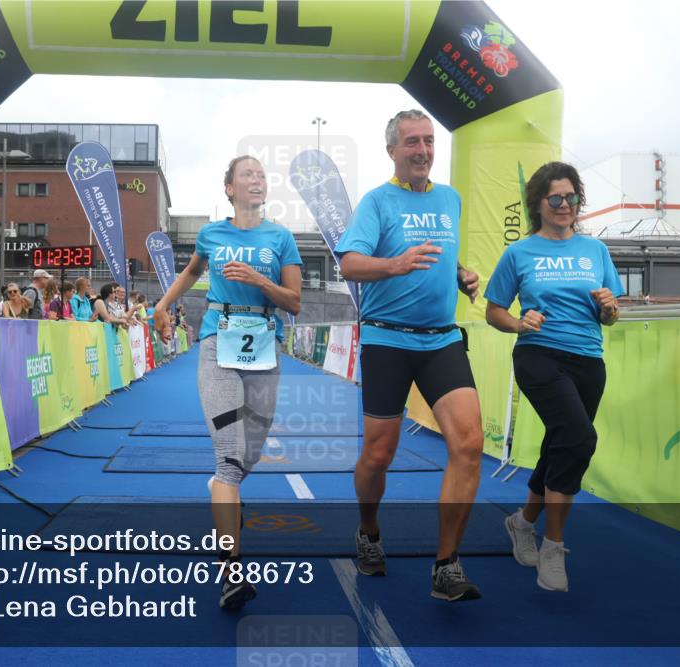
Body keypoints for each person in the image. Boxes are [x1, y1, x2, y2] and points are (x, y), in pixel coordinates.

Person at [334, 110, 483, 602]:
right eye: (412, 142)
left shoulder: (450, 199)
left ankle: (446, 565)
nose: (422, 150)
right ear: (393, 151)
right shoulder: (377, 202)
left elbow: (439, 252)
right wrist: (395, 264)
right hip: (388, 338)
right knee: (379, 455)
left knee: (469, 444)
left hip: (441, 338)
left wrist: (460, 273)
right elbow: (350, 263)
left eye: (428, 141)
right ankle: (368, 529)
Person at [154, 155, 302, 610]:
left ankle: (223, 491)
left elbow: (294, 302)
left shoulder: (281, 237)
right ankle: (231, 570)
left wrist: (260, 279)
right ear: (229, 189)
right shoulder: (212, 234)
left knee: (248, 455)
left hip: (263, 345)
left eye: (261, 175)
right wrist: (163, 306)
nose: (256, 180)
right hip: (219, 342)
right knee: (229, 458)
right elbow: (194, 271)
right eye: (247, 175)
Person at [484, 161, 623, 593]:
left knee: (560, 443)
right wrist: (519, 324)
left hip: (588, 359)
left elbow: (612, 316)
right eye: (556, 198)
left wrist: (608, 306)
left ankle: (522, 522)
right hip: (539, 355)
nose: (565, 205)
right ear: (539, 204)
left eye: (572, 198)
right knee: (579, 438)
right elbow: (494, 312)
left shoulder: (595, 251)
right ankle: (554, 547)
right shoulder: (520, 252)